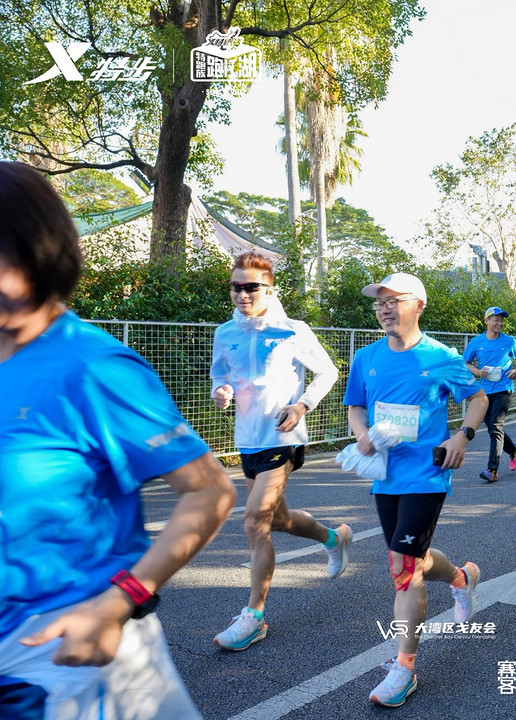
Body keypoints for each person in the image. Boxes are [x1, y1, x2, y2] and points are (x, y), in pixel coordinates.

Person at [0, 160, 236, 718]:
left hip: (64, 655)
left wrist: (116, 604)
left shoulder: (93, 366)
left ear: (33, 253)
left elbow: (210, 492)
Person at [343, 272, 488, 708]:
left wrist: (462, 435)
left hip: (428, 473)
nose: (385, 308)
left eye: (394, 300)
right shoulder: (366, 356)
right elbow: (354, 406)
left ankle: (404, 668)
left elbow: (478, 398)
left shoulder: (441, 357)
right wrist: (361, 433)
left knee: (403, 565)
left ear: (418, 305)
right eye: (379, 302)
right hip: (385, 474)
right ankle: (462, 578)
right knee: (417, 559)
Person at [210, 251, 349, 651]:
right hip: (247, 439)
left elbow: (328, 371)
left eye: (251, 287)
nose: (242, 294)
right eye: (236, 286)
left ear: (269, 289)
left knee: (254, 521)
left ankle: (253, 617)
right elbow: (222, 374)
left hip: (282, 437)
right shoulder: (226, 333)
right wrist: (223, 390)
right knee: (279, 519)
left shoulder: (292, 329)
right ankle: (333, 537)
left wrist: (302, 404)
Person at [464, 307, 516, 482]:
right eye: (496, 319)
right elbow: (465, 362)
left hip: (504, 388)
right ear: (487, 321)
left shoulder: (509, 341)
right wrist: (477, 372)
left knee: (496, 426)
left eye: (501, 320)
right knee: (492, 428)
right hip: (484, 392)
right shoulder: (476, 342)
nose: (499, 323)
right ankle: (513, 450)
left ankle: (492, 470)